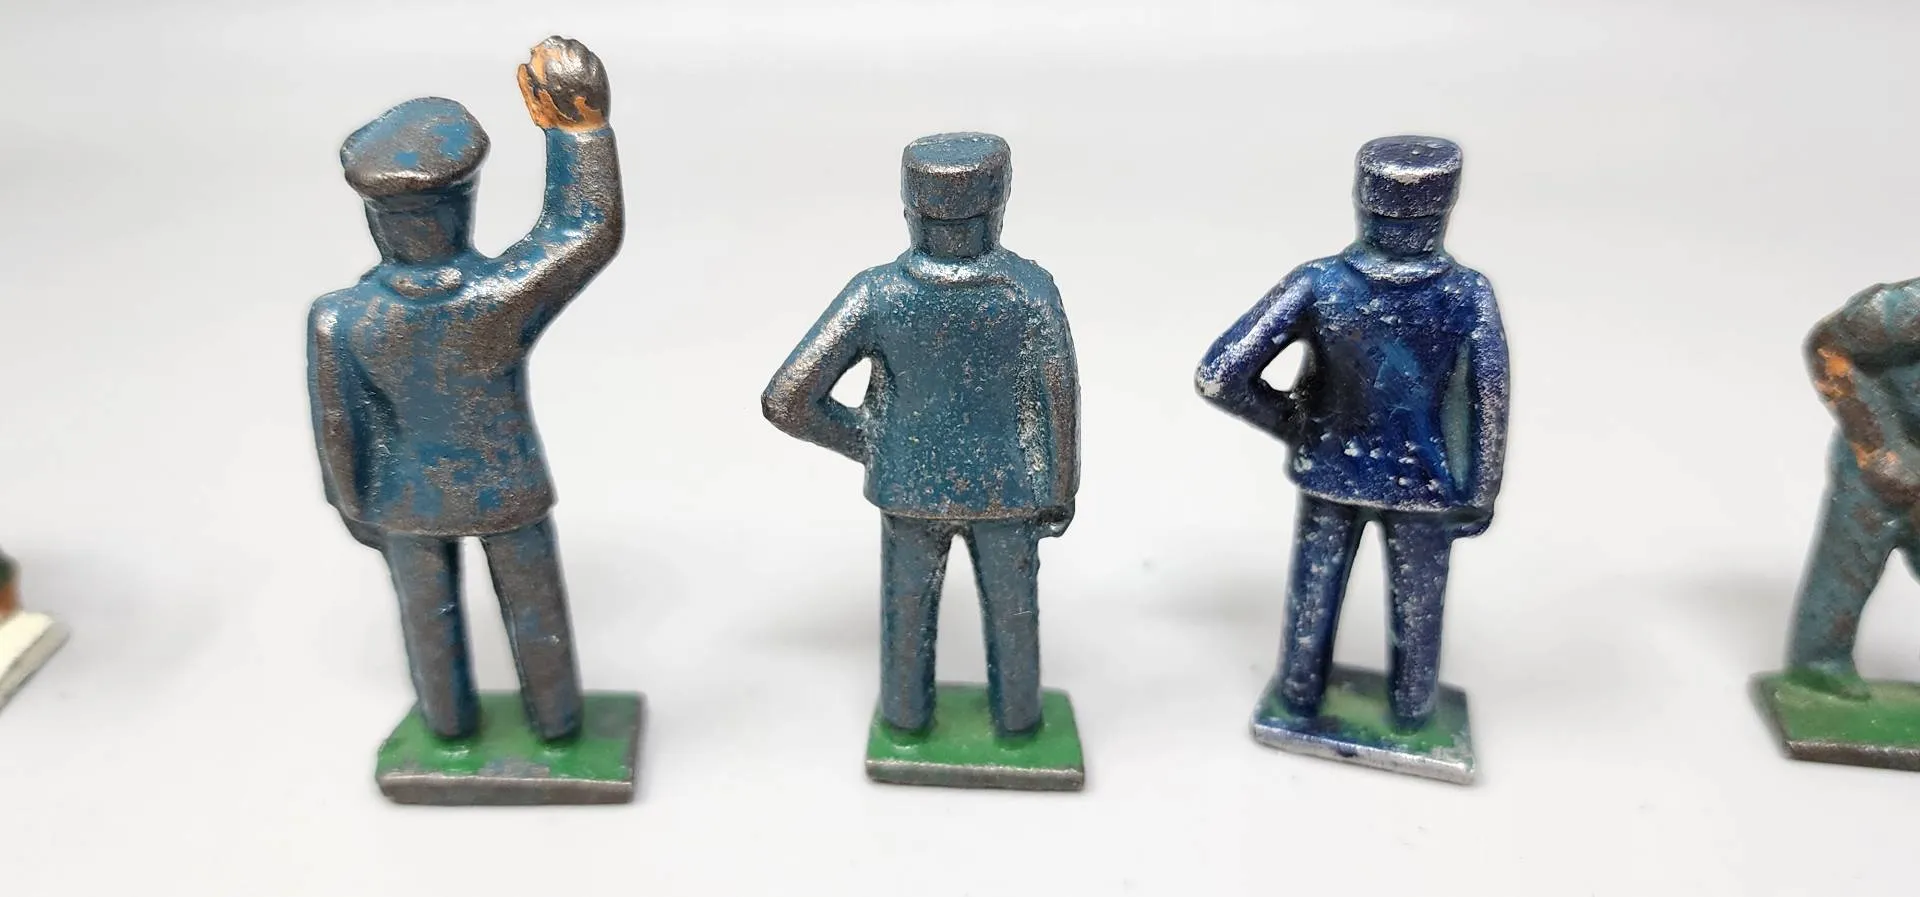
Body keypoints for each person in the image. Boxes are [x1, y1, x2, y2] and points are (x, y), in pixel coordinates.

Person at [305, 37, 623, 742]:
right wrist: (578, 128)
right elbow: (585, 228)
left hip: (402, 499)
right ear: (461, 205)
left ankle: (447, 725)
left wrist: (355, 509)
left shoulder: (342, 316)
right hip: (509, 487)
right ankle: (557, 723)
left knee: (428, 617)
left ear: (375, 214)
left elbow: (338, 431)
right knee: (534, 611)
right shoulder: (498, 298)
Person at [762, 132, 1080, 739]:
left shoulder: (877, 293)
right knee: (1014, 618)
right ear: (999, 203)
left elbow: (788, 399)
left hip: (907, 489)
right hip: (1009, 492)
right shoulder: (1029, 290)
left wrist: (871, 444)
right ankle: (1018, 725)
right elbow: (1058, 401)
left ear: (909, 207)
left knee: (906, 618)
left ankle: (906, 723)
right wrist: (1059, 489)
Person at [1195, 135, 1508, 731]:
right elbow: (1488, 397)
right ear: (1444, 205)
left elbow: (1221, 375)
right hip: (1425, 481)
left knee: (1313, 600)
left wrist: (1296, 425)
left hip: (1330, 469)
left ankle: (1299, 698)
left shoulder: (1321, 282)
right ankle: (1412, 714)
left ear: (1364, 199)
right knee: (1418, 611)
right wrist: (1480, 489)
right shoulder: (1466, 294)